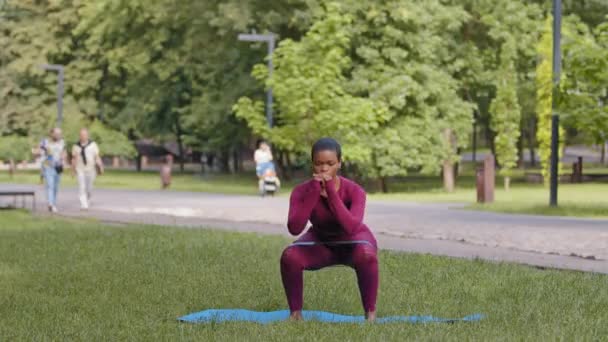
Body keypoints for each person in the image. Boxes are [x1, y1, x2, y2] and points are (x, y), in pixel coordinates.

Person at [280, 137, 379, 322]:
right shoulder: (301, 191)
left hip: (353, 241)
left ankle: (370, 315)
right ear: (312, 165)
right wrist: (314, 193)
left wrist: (332, 193)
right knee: (290, 256)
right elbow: (295, 228)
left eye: (330, 164)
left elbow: (351, 227)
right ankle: (295, 315)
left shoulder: (355, 191)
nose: (324, 169)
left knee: (367, 255)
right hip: (321, 241)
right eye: (318, 164)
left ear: (339, 164)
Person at [33, 127, 67, 213]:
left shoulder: (62, 142)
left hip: (58, 167)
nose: (58, 135)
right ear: (52, 134)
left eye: (60, 134)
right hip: (48, 166)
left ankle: (53, 203)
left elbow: (63, 152)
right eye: (56, 134)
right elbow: (37, 151)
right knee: (50, 186)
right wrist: (38, 152)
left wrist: (63, 159)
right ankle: (51, 205)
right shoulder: (45, 142)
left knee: (55, 187)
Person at [71, 128, 103, 210]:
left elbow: (97, 157)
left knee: (89, 188)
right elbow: (74, 159)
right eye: (82, 135)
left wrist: (100, 166)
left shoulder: (93, 145)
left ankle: (88, 199)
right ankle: (84, 204)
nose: (83, 136)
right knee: (82, 187)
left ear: (87, 135)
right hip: (80, 169)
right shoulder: (75, 146)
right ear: (79, 136)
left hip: (91, 169)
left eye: (85, 135)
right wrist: (73, 170)